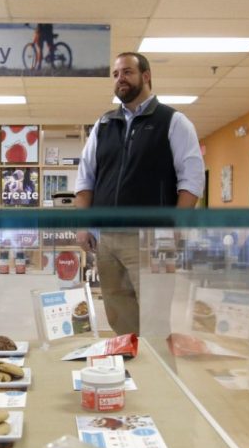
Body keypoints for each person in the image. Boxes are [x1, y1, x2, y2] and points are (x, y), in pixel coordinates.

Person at [74, 52, 205, 336]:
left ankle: (159, 377)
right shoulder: (104, 125)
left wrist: (175, 229)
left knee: (155, 319)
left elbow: (192, 181)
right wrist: (84, 224)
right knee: (118, 315)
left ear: (146, 76)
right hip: (107, 240)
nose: (120, 78)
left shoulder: (173, 121)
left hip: (153, 239)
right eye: (116, 74)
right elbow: (85, 179)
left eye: (127, 72)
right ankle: (127, 373)